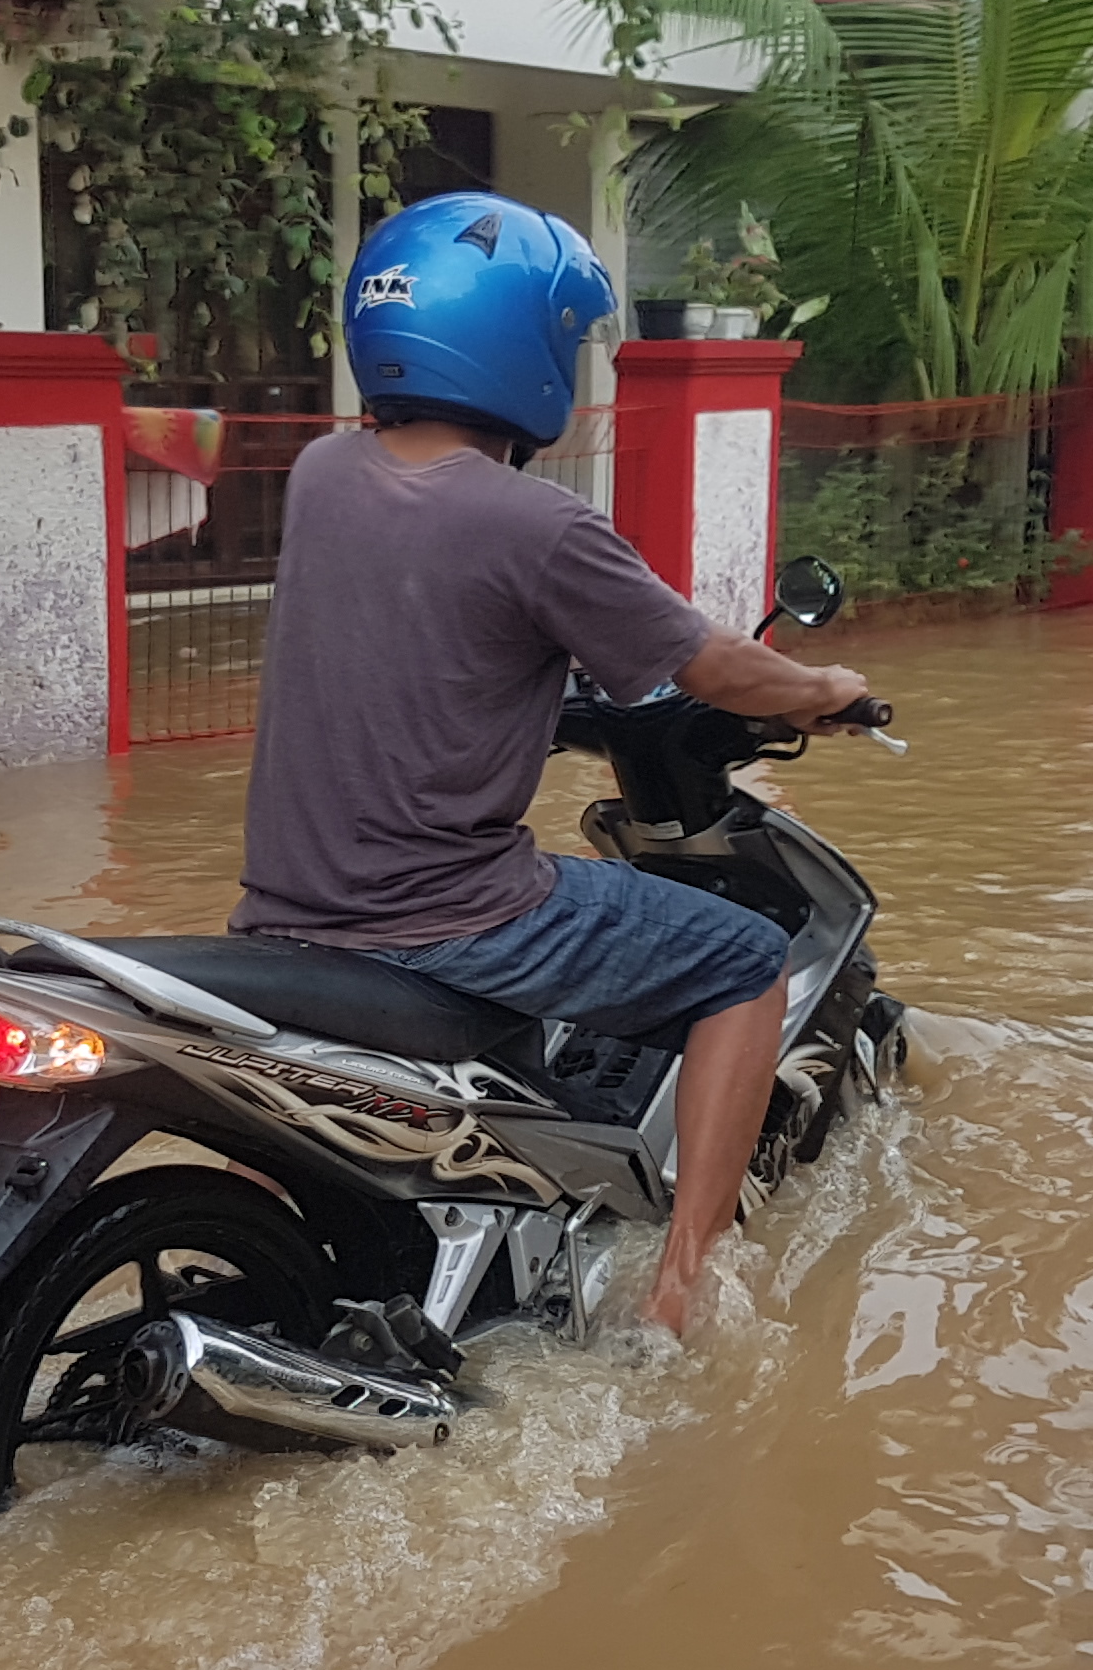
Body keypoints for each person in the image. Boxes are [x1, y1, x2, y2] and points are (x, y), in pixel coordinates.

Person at [231, 193, 871, 1333]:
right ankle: (685, 1286)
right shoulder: (540, 526)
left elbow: (421, 640)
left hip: (284, 910)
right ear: (518, 347)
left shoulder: (322, 478)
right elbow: (715, 666)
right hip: (447, 913)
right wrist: (827, 693)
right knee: (745, 957)